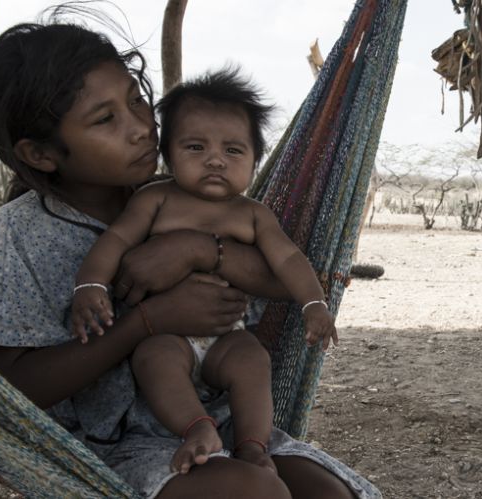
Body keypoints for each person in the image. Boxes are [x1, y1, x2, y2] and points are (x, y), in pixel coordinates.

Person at [0, 19, 379, 499]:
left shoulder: (186, 192)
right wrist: (146, 322)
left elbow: (283, 280)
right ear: (41, 154)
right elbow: (0, 389)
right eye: (105, 119)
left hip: (226, 423)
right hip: (108, 451)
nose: (140, 128)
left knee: (331, 493)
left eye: (136, 101)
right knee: (257, 492)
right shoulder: (25, 230)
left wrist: (200, 250)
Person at [70, 67, 338, 476]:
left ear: (255, 161)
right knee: (153, 358)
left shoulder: (253, 215)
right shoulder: (155, 199)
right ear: (169, 154)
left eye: (233, 151)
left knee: (253, 359)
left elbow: (287, 260)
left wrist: (313, 304)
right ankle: (198, 429)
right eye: (195, 147)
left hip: (227, 337)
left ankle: (252, 446)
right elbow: (116, 240)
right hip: (168, 335)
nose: (215, 160)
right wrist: (90, 284)